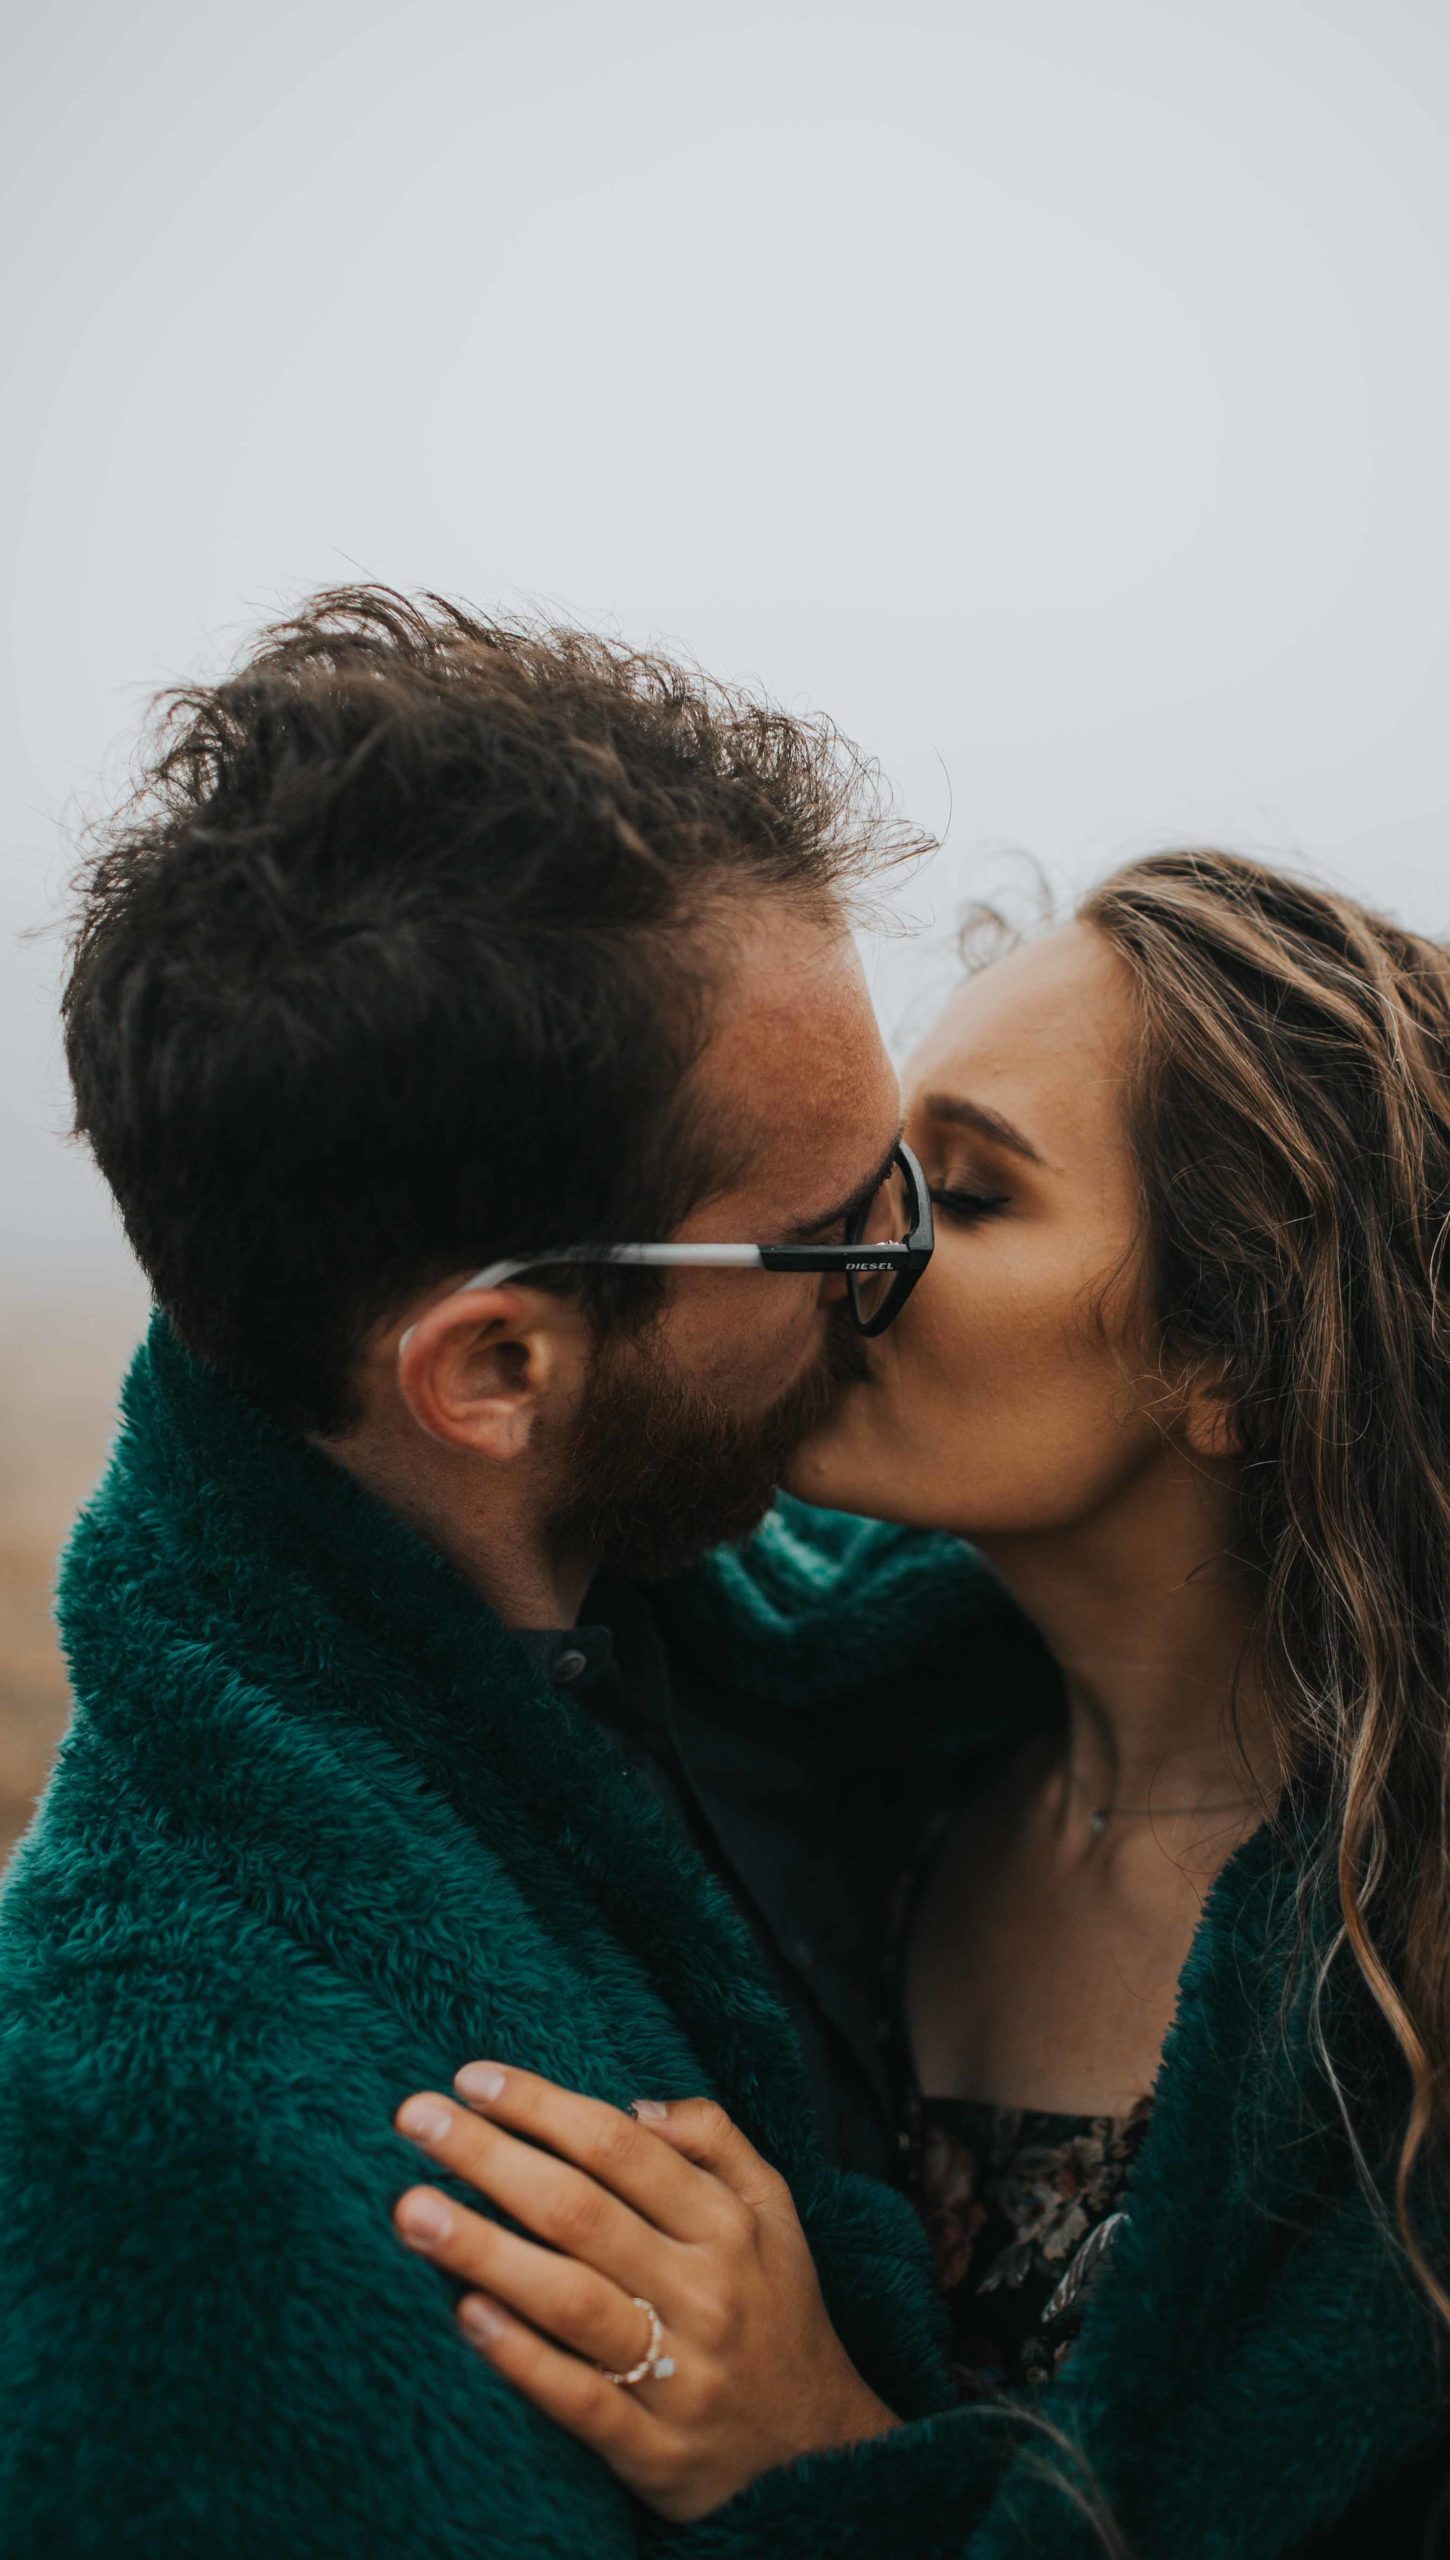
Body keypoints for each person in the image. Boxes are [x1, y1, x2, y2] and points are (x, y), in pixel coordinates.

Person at [390, 853, 1450, 2560]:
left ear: (1235, 1357)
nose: (842, 1246)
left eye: (967, 1194)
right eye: (873, 1173)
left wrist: (826, 2455)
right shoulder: (847, 1767)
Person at [0, 588, 958, 2554]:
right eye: (832, 1237)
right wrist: (838, 2477)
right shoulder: (181, 2161)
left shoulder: (834, 1632)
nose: (904, 1280)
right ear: (498, 1366)